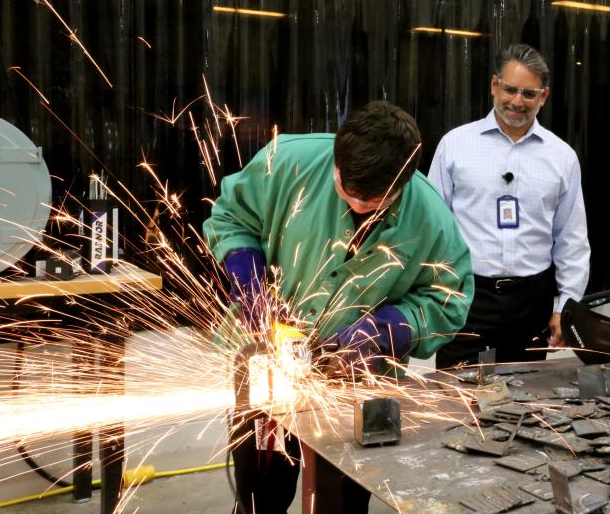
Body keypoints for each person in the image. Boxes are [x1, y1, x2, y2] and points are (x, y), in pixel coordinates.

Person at [203, 101, 473, 514]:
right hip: (265, 367)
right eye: (348, 193)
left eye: (376, 202)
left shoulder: (431, 218)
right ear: (337, 160)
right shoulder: (286, 162)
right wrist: (253, 287)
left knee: (342, 502)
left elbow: (448, 298)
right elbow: (230, 218)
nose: (360, 206)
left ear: (405, 180)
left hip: (355, 382)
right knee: (259, 496)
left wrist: (387, 329)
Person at [428, 43, 590, 368]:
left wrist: (566, 306)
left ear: (543, 97)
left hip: (532, 303)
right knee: (454, 399)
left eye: (529, 94)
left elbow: (572, 239)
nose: (518, 101)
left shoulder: (562, 157)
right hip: (467, 295)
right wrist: (435, 294)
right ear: (494, 86)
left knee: (524, 400)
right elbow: (432, 227)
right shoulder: (455, 146)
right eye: (510, 90)